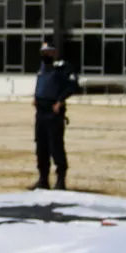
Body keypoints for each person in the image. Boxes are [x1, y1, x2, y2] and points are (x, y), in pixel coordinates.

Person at [32, 39, 80, 190]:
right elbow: (41, 84)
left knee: (56, 145)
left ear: (54, 52)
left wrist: (60, 101)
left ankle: (60, 179)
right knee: (41, 146)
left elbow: (73, 85)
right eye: (43, 52)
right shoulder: (43, 67)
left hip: (53, 112)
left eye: (47, 52)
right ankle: (43, 179)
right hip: (41, 111)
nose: (45, 55)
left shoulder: (63, 67)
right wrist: (35, 97)